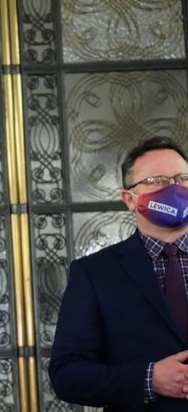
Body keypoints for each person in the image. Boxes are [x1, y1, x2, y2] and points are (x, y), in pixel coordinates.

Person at [49, 136, 188, 411]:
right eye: (157, 181)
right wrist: (149, 379)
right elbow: (66, 375)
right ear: (129, 199)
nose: (174, 188)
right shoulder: (93, 273)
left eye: (182, 178)